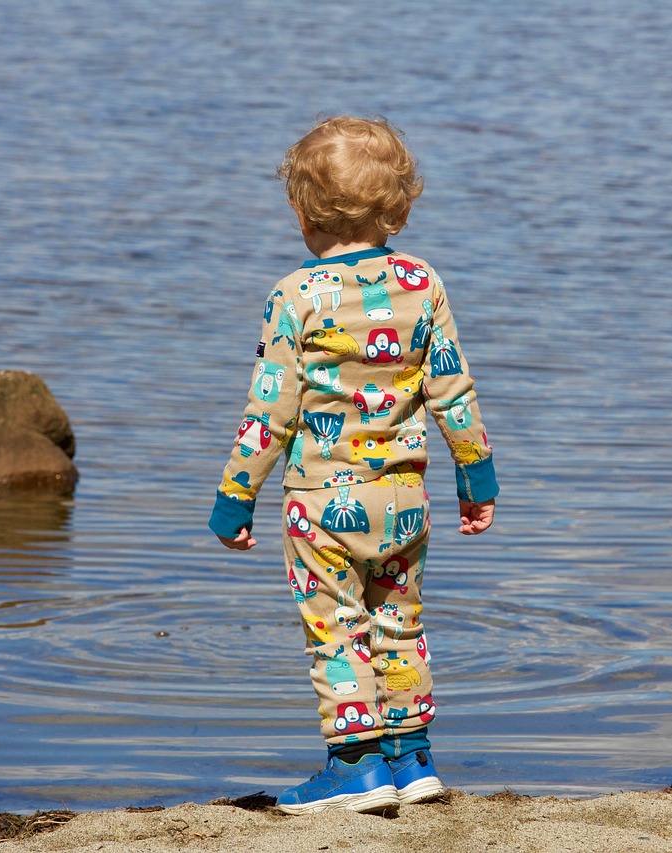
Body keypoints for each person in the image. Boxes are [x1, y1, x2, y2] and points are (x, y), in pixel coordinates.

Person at [209, 115, 498, 815]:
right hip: (404, 499)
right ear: (399, 210)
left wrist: (235, 495)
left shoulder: (295, 297)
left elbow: (270, 410)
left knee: (336, 627)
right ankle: (413, 755)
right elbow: (452, 389)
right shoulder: (421, 282)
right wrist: (476, 474)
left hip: (321, 508)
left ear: (300, 212)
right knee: (399, 620)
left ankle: (357, 765)